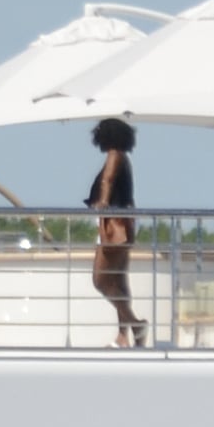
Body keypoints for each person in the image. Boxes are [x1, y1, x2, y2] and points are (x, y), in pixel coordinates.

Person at [84, 118, 147, 348]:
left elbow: (108, 179)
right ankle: (124, 335)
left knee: (100, 280)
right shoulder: (124, 157)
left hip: (114, 225)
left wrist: (102, 201)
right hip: (124, 223)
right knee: (119, 282)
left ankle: (135, 325)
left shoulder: (114, 155)